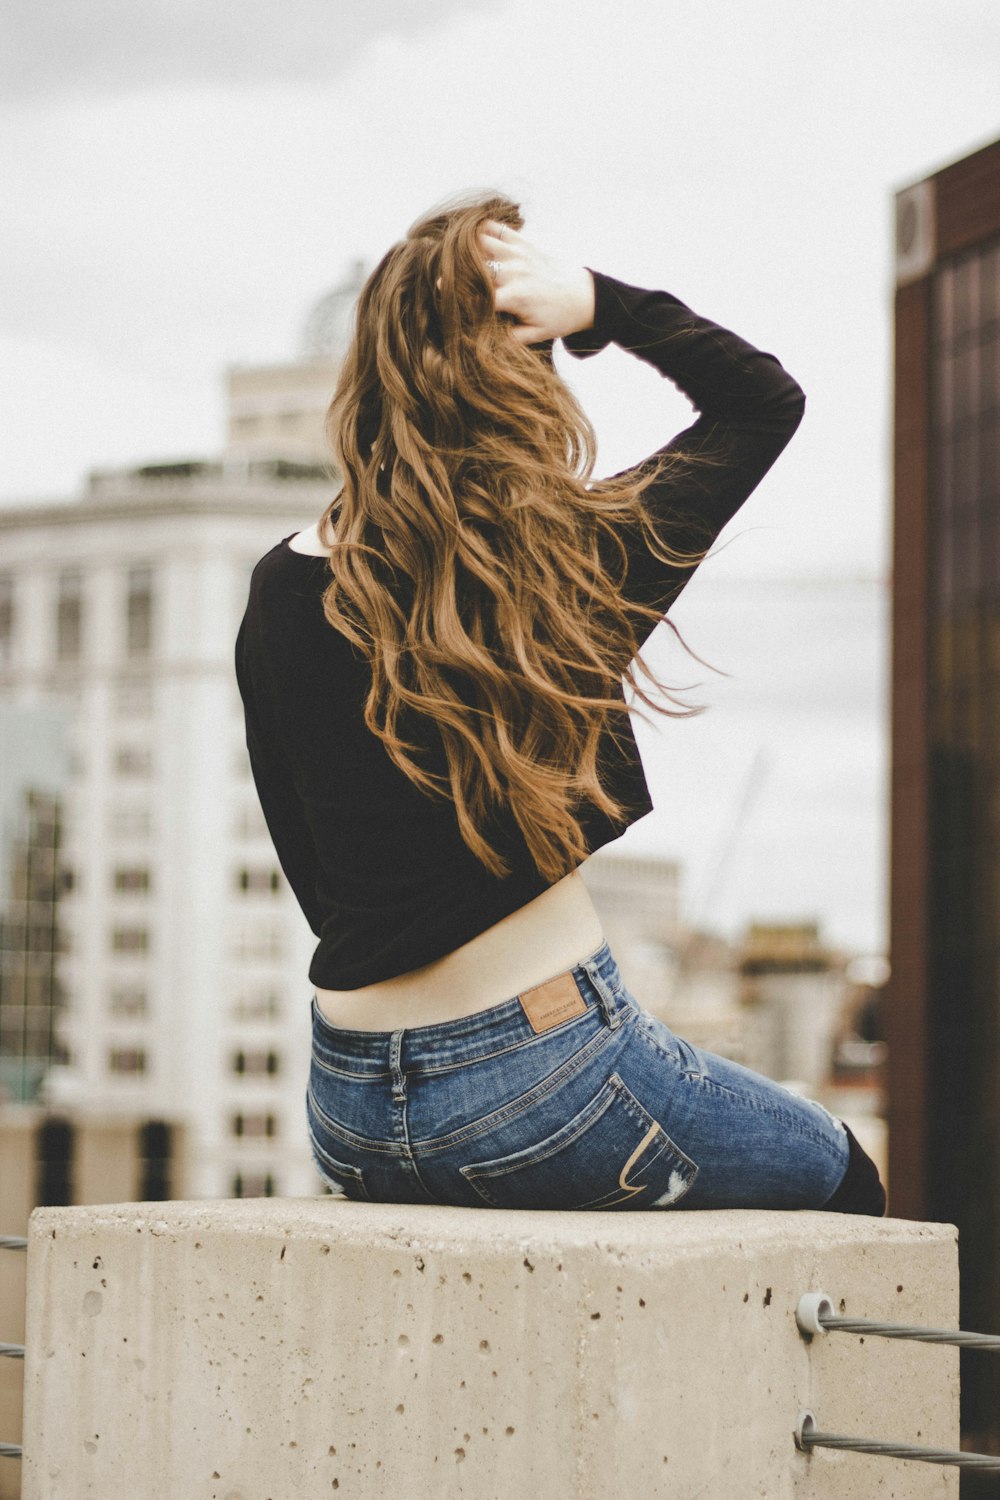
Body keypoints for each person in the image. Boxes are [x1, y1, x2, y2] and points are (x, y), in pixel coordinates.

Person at [235, 192, 886, 1217]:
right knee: (842, 1173)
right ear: (521, 370)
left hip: (348, 1105)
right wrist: (601, 305)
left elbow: (312, 868)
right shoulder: (563, 559)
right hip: (544, 1083)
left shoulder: (278, 584)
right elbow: (762, 401)